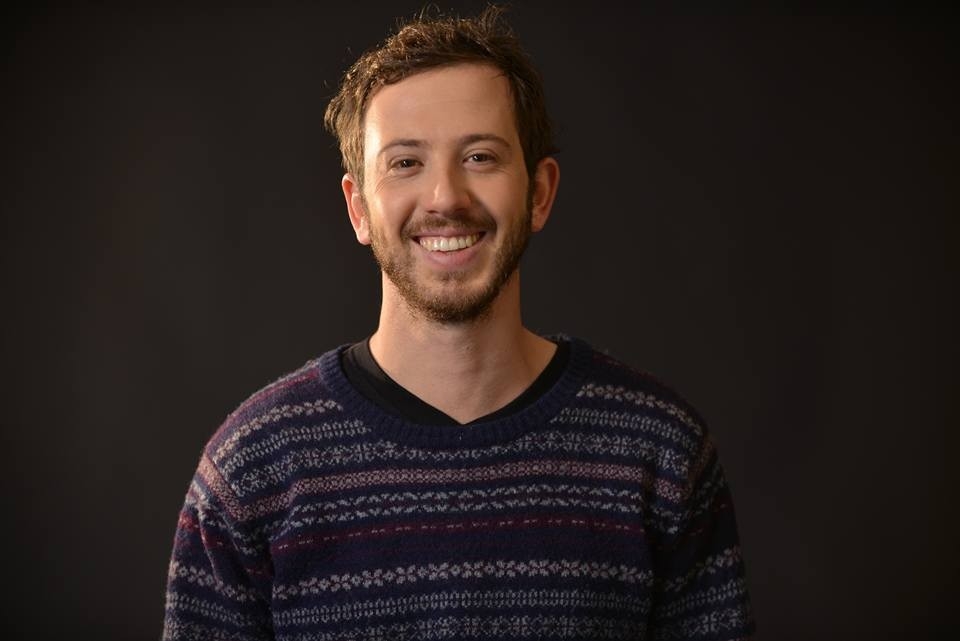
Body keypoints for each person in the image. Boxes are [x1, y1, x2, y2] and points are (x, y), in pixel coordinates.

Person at [162, 6, 755, 640]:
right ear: (358, 208)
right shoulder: (252, 470)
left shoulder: (658, 453)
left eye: (479, 156)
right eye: (405, 163)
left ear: (540, 193)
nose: (445, 197)